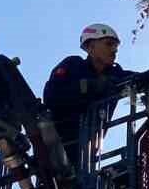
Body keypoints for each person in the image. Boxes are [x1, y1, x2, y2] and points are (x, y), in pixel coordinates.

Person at [43, 24, 138, 164]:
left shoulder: (115, 75)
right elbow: (51, 96)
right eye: (109, 44)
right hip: (59, 151)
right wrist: (90, 86)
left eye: (116, 46)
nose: (114, 50)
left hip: (87, 157)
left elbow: (142, 78)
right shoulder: (73, 65)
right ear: (90, 47)